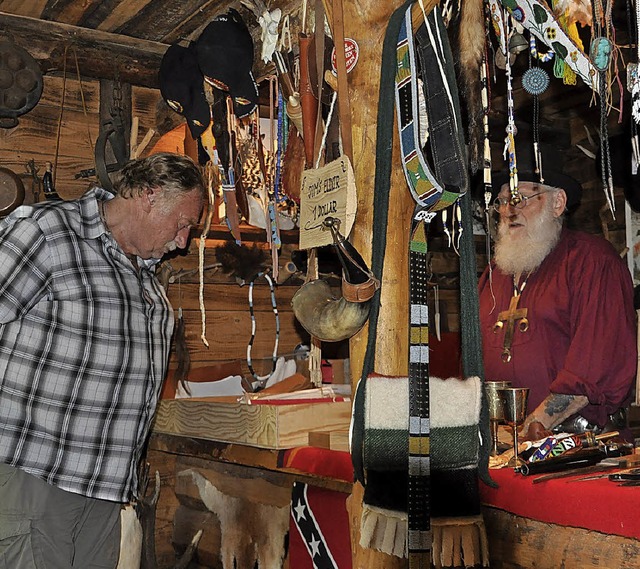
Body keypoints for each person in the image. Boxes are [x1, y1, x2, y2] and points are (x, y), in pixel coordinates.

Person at [0, 152, 205, 567]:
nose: (183, 240)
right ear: (149, 197)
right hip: (35, 476)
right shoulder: (45, 233)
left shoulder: (144, 271)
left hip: (106, 488)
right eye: (182, 223)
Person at [478, 170, 637, 442]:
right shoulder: (493, 275)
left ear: (557, 203)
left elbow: (591, 370)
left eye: (520, 198)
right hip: (501, 448)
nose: (508, 211)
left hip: (580, 450)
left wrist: (527, 432)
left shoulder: (592, 262)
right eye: (502, 201)